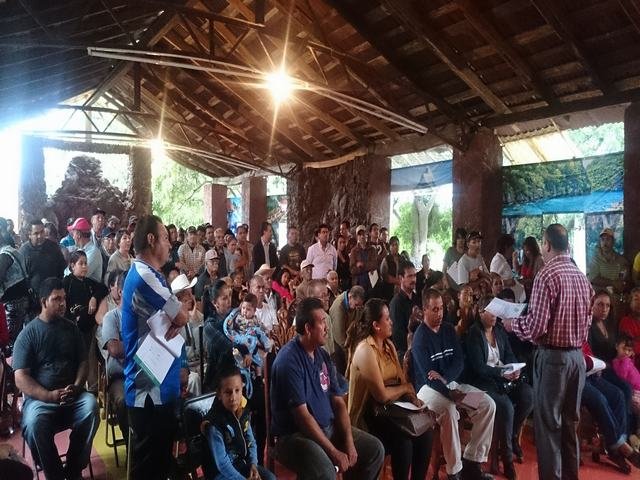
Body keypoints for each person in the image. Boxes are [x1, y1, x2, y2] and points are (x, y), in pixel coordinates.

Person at [503, 224, 593, 480]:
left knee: (549, 426)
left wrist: (512, 324)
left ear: (547, 245)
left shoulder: (546, 275)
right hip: (576, 358)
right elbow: (587, 321)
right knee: (570, 424)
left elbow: (536, 326)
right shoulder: (581, 276)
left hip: (553, 359)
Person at [270, 297, 385, 479]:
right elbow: (303, 417)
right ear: (308, 328)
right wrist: (333, 451)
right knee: (326, 471)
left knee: (374, 450)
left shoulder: (322, 355)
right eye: (322, 322)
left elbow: (338, 402)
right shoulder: (288, 361)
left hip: (328, 427)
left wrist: (349, 442)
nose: (327, 327)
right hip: (295, 436)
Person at [121, 215, 189, 479]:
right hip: (147, 389)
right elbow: (181, 315)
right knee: (148, 470)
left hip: (161, 384)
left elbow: (177, 317)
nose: (170, 244)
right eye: (165, 238)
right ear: (151, 240)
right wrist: (178, 319)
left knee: (160, 467)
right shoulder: (143, 275)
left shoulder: (153, 275)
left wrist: (177, 319)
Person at [13, 277, 99, 480]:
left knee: (91, 408)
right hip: (41, 401)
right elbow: (20, 378)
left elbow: (83, 362)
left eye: (64, 298)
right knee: (34, 424)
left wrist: (77, 386)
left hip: (73, 397)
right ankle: (55, 474)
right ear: (44, 301)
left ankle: (73, 468)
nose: (62, 304)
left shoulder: (71, 328)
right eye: (56, 299)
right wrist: (48, 395)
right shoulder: (28, 335)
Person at [411, 288, 496, 480]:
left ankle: (473, 462)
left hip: (450, 384)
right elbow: (428, 378)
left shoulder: (449, 330)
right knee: (449, 409)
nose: (439, 313)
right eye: (434, 309)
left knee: (487, 405)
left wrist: (446, 380)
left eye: (441, 308)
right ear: (425, 310)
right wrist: (449, 392)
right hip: (427, 391)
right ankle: (454, 471)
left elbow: (459, 362)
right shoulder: (420, 338)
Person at [346, 298, 432, 480]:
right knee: (404, 442)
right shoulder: (365, 350)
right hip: (367, 417)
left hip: (390, 412)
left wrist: (412, 398)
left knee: (426, 433)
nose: (391, 322)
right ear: (376, 325)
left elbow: (402, 380)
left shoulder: (388, 345)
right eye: (387, 319)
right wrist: (405, 388)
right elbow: (382, 395)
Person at [465, 296, 533, 479]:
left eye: (497, 310)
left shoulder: (500, 331)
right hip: (483, 382)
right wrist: (502, 373)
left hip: (503, 379)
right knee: (507, 408)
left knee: (528, 396)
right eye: (491, 310)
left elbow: (509, 354)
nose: (495, 314)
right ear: (481, 313)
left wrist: (514, 368)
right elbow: (479, 368)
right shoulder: (474, 333)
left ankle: (511, 436)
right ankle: (507, 459)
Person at [203, 364, 276, 480]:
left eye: (237, 390)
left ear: (242, 388)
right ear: (219, 394)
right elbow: (222, 464)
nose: (233, 397)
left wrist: (253, 464)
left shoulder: (243, 410)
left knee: (271, 478)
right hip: (221, 474)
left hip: (241, 464)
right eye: (228, 392)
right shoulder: (214, 424)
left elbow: (251, 440)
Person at [62, 250, 108, 393]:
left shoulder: (88, 283)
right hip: (73, 329)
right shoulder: (67, 282)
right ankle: (74, 387)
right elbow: (63, 305)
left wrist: (94, 298)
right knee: (75, 359)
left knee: (89, 358)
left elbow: (103, 288)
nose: (84, 267)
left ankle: (92, 388)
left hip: (89, 329)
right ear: (72, 266)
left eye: (86, 263)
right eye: (80, 264)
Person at [101, 270, 128, 440]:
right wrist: (144, 344)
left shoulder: (144, 317)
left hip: (145, 374)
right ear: (120, 291)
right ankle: (132, 447)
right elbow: (115, 349)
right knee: (124, 401)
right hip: (120, 377)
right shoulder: (111, 318)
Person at [19, 219, 66, 312]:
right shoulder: (24, 251)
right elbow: (22, 277)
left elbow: (62, 268)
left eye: (42, 232)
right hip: (33, 300)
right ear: (29, 234)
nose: (40, 236)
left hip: (53, 297)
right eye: (36, 233)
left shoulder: (53, 247)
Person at [0, 234, 30, 354]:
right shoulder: (13, 251)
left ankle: (15, 363)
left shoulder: (4, 255)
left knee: (11, 341)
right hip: (22, 299)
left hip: (13, 303)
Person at [329, 285, 365, 375]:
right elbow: (339, 338)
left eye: (359, 306)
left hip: (348, 338)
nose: (357, 308)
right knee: (341, 372)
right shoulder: (338, 308)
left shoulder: (354, 303)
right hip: (336, 344)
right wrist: (350, 355)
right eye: (356, 305)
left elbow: (358, 317)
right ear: (350, 297)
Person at [389, 261, 420, 362]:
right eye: (410, 276)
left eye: (415, 276)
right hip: (405, 352)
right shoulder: (396, 303)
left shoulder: (417, 299)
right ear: (400, 278)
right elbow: (398, 337)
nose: (413, 279)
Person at [588, 228, 629, 294]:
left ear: (613, 242)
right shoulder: (595, 259)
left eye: (608, 239)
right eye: (602, 239)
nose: (605, 243)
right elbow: (593, 278)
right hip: (599, 295)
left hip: (615, 295)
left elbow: (624, 278)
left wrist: (620, 283)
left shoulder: (621, 260)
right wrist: (613, 282)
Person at [612, 334, 640, 421]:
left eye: (629, 350)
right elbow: (621, 378)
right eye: (624, 349)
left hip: (636, 390)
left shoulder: (626, 361)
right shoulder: (617, 361)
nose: (626, 352)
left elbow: (622, 377)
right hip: (633, 390)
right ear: (616, 346)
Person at [66, 218, 103, 284]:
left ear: (78, 234)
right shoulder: (80, 250)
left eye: (73, 234)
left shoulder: (93, 252)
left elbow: (78, 275)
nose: (73, 237)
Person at [490, 234, 525, 302]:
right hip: (507, 299)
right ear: (506, 247)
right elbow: (492, 280)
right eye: (512, 247)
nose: (513, 250)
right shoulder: (498, 260)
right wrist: (506, 282)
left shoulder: (502, 259)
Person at [349, 226, 378, 293]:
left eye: (363, 234)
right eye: (360, 235)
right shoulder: (354, 251)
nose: (362, 236)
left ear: (366, 235)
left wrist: (362, 265)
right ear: (357, 237)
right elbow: (352, 269)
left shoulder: (372, 249)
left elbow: (374, 265)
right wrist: (366, 267)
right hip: (358, 283)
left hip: (371, 283)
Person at [619, 287, 640, 370]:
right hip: (632, 366)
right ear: (630, 303)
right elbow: (628, 347)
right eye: (636, 299)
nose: (639, 302)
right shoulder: (625, 321)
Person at [379, 236, 401, 302]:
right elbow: (384, 275)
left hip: (401, 290)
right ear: (390, 247)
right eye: (393, 245)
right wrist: (397, 281)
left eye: (396, 245)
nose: (395, 247)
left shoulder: (402, 259)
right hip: (388, 290)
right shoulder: (386, 259)